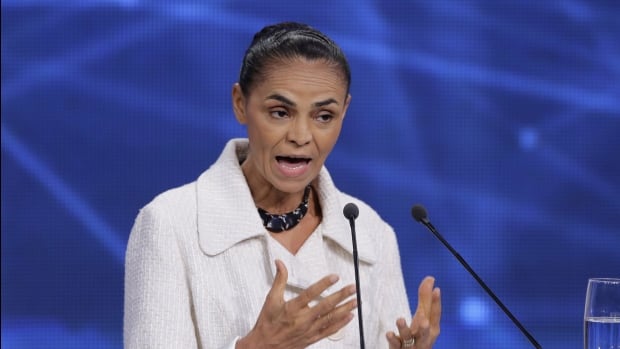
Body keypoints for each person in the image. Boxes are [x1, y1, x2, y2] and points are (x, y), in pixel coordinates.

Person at [124, 22, 441, 349]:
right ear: (239, 103)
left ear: (344, 112)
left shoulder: (369, 233)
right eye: (280, 112)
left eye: (323, 116)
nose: (301, 136)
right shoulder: (170, 224)